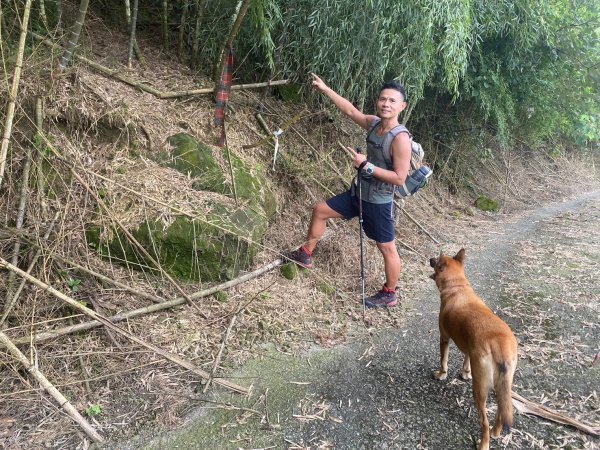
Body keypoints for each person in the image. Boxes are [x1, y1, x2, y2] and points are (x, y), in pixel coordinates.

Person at [284, 73, 412, 308]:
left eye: (393, 101)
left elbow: (399, 178)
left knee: (386, 247)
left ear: (402, 106)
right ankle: (306, 254)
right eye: (383, 99)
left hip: (379, 201)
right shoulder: (375, 124)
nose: (386, 104)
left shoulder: (400, 139)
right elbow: (351, 111)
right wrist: (325, 89)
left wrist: (366, 166)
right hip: (358, 194)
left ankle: (390, 293)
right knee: (320, 210)